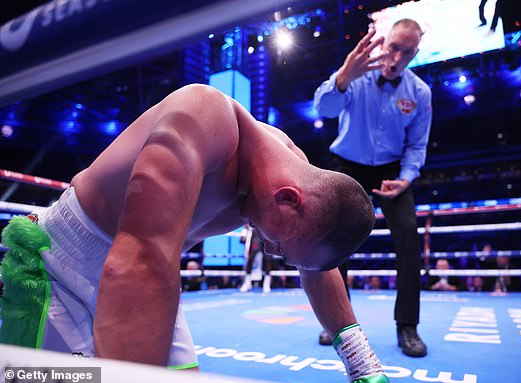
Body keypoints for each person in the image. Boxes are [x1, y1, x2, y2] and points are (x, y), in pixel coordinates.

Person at [0, 84, 389, 382]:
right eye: (280, 247)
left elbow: (316, 268)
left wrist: (361, 364)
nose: (270, 252)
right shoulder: (204, 118)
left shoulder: (291, 181)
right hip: (62, 267)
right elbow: (139, 258)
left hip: (143, 274)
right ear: (288, 198)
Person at [314, 19, 432, 357]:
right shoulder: (357, 73)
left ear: (415, 53)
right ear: (384, 42)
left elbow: (417, 146)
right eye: (394, 47)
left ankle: (407, 326)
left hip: (392, 170)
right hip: (347, 163)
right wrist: (342, 78)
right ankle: (335, 324)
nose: (397, 57)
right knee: (334, 238)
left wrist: (407, 178)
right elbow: (323, 109)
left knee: (409, 231)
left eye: (406, 52)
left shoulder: (420, 92)